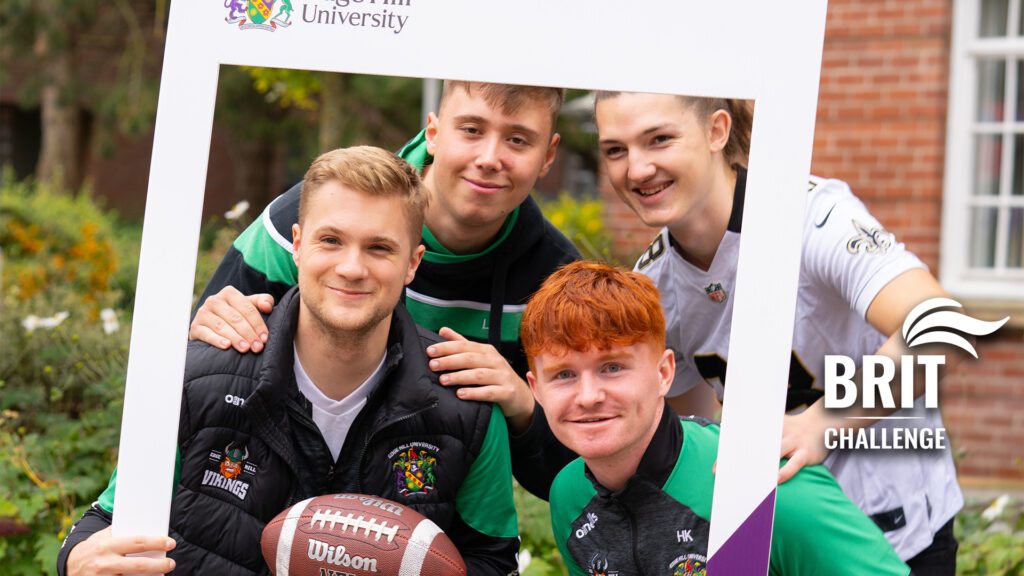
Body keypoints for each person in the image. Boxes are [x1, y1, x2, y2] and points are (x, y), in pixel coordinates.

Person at [56, 147, 519, 575]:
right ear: (297, 244)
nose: (352, 268)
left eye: (379, 248)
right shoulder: (196, 379)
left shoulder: (467, 408)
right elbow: (108, 524)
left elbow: (493, 562)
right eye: (331, 240)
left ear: (413, 263)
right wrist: (75, 560)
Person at [594, 91, 961, 572]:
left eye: (658, 139)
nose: (637, 169)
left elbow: (940, 329)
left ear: (716, 131)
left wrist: (821, 424)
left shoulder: (812, 217)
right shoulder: (653, 285)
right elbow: (693, 438)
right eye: (615, 150)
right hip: (774, 540)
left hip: (892, 533)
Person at [190, 81, 579, 499]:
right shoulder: (312, 217)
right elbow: (196, 382)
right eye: (471, 130)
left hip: (423, 519)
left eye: (518, 140)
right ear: (433, 132)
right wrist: (207, 328)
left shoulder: (559, 284)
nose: (488, 158)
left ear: (548, 156)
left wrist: (523, 409)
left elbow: (573, 482)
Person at [522, 261, 910, 575]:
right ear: (536, 389)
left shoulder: (768, 486)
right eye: (564, 375)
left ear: (664, 373)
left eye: (612, 368)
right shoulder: (568, 496)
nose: (589, 397)